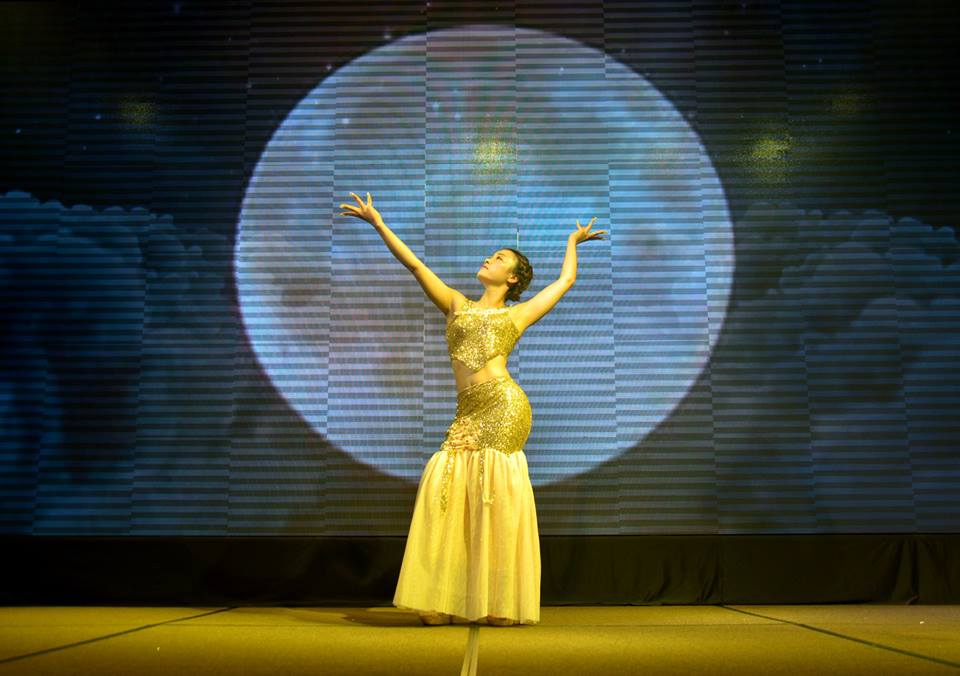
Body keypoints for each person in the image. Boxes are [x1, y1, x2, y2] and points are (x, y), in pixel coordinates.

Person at [338, 192, 605, 627]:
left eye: (498, 258)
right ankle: (441, 598)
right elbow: (415, 266)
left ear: (512, 279)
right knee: (446, 488)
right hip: (468, 411)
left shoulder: (516, 316)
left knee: (493, 497)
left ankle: (497, 601)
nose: (488, 259)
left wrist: (572, 242)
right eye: (490, 255)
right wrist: (379, 224)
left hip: (504, 407)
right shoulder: (456, 304)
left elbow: (565, 282)